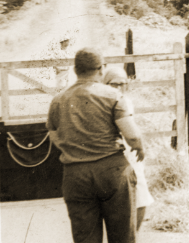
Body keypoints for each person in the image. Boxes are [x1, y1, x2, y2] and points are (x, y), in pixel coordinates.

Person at [46, 47, 144, 243]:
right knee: (123, 235)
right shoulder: (114, 96)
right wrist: (140, 147)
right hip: (112, 171)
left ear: (75, 70)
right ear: (101, 69)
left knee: (85, 237)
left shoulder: (57, 101)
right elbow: (131, 135)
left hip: (76, 175)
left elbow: (54, 136)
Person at [103, 67, 154, 232]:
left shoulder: (124, 101)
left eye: (122, 84)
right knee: (139, 196)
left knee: (139, 196)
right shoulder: (114, 101)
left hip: (126, 152)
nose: (118, 87)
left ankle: (132, 235)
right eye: (113, 84)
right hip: (122, 152)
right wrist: (139, 146)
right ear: (105, 84)